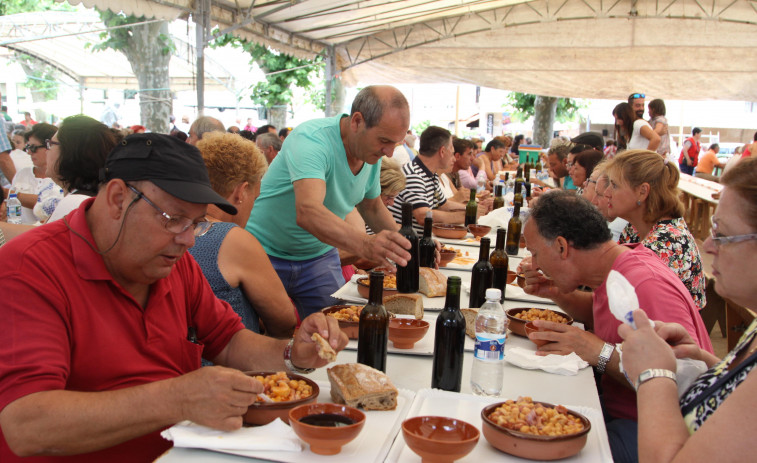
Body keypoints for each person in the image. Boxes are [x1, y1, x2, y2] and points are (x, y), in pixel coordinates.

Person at [0, 133, 348, 462]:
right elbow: (26, 425)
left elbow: (227, 342)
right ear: (118, 198)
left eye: (196, 223)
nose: (189, 240)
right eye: (175, 219)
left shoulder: (172, 263)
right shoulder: (29, 269)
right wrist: (179, 398)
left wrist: (291, 353)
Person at [520, 190, 713, 463]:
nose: (536, 265)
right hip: (619, 408)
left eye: (536, 254)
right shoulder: (618, 265)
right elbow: (606, 315)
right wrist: (556, 292)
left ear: (562, 247)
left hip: (650, 432)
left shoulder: (646, 284)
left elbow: (684, 377)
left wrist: (595, 350)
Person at [617, 156, 757, 462]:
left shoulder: (663, 242)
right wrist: (704, 361)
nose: (707, 246)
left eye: (721, 233)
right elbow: (736, 392)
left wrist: (654, 374)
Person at [246, 85, 413, 318]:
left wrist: (410, 245)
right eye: (384, 141)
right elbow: (308, 211)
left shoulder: (369, 154)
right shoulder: (312, 140)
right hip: (264, 252)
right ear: (357, 121)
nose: (389, 153)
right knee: (270, 333)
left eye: (395, 143)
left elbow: (372, 206)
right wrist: (365, 245)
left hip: (317, 257)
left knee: (338, 329)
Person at [190, 132, 298, 338]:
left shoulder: (176, 230)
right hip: (231, 364)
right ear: (241, 191)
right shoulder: (232, 239)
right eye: (255, 198)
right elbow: (284, 321)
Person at [605, 150, 706, 310]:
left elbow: (634, 311)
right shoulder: (635, 228)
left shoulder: (666, 243)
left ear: (642, 192)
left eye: (614, 185)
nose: (606, 193)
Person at [388, 126, 491, 234]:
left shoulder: (430, 174)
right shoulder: (414, 174)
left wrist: (473, 209)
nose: (454, 158)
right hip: (407, 243)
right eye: (452, 153)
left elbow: (444, 205)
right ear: (442, 151)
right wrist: (464, 216)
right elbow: (423, 216)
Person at [45, 115, 118, 223]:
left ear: (69, 153)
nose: (47, 151)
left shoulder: (76, 204)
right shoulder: (90, 197)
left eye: (51, 144)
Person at [8, 123, 58, 224]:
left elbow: (50, 206)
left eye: (34, 148)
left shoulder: (63, 179)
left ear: (50, 146)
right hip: (17, 233)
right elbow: (11, 210)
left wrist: (12, 195)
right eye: (28, 147)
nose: (29, 152)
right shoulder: (22, 174)